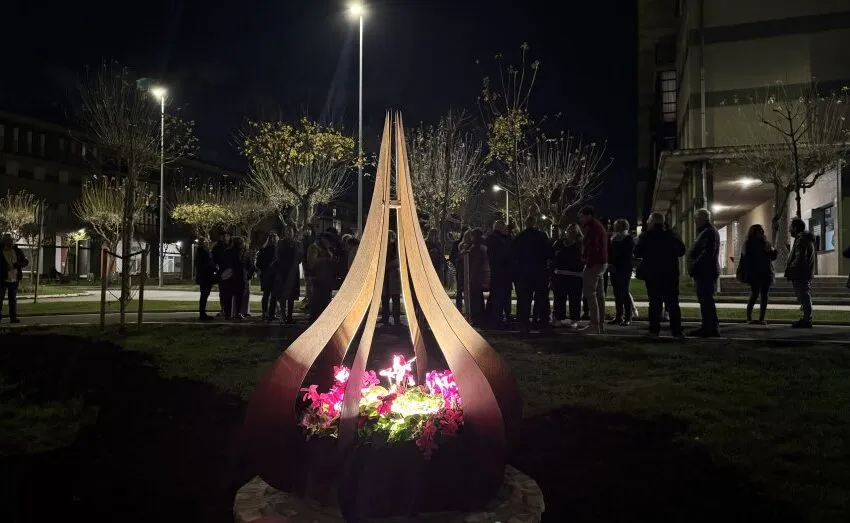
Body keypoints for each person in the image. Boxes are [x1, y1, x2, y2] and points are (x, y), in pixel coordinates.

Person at [634, 213, 686, 337]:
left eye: (648, 221)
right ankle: (676, 330)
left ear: (652, 222)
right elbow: (681, 251)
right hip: (670, 273)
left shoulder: (646, 236)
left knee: (654, 302)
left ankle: (654, 329)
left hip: (653, 274)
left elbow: (637, 252)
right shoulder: (673, 235)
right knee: (673, 302)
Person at [512, 216, 553, 333]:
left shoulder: (520, 237)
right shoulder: (541, 236)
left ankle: (523, 323)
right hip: (540, 272)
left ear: (525, 224)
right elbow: (550, 252)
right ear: (535, 223)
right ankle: (542, 322)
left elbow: (513, 254)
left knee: (524, 299)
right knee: (542, 299)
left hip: (524, 273)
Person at [688, 208, 721, 337]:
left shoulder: (709, 232)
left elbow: (706, 253)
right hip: (704, 271)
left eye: (696, 219)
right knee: (705, 300)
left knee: (706, 300)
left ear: (702, 219)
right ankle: (708, 326)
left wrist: (694, 266)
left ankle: (710, 328)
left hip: (705, 272)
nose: (695, 221)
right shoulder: (707, 232)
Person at [577, 206, 608, 334]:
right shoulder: (599, 227)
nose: (580, 219)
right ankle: (600, 323)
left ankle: (594, 323)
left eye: (581, 216)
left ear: (588, 215)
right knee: (600, 295)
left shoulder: (593, 228)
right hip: (602, 262)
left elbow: (593, 247)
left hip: (594, 263)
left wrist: (587, 261)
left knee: (590, 293)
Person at [739, 224, 777, 325]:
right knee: (754, 295)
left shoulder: (765, 243)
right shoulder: (747, 244)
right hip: (755, 273)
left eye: (762, 231)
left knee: (764, 296)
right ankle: (749, 318)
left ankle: (761, 318)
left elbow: (772, 257)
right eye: (760, 231)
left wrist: (773, 250)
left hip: (765, 273)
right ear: (754, 232)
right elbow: (743, 260)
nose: (762, 232)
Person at [784, 218, 816, 328]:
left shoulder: (801, 240)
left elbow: (800, 259)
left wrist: (791, 270)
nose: (789, 230)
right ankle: (806, 318)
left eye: (790, 227)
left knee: (804, 296)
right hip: (803, 273)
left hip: (800, 273)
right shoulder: (803, 239)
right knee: (803, 296)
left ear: (795, 228)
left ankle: (807, 320)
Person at [551, 224, 584, 328]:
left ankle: (574, 319)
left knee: (575, 298)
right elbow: (552, 257)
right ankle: (559, 317)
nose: (571, 233)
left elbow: (583, 259)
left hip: (575, 276)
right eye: (569, 231)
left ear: (577, 233)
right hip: (560, 275)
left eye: (573, 231)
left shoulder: (580, 245)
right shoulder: (559, 243)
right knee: (559, 298)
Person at [460, 228, 490, 326]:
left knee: (475, 297)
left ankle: (476, 317)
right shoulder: (483, 246)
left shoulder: (475, 248)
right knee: (478, 297)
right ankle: (480, 316)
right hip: (480, 276)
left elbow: (473, 263)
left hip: (475, 276)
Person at [485, 220, 513, 328]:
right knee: (501, 297)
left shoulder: (491, 239)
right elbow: (506, 256)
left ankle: (494, 318)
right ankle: (498, 319)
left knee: (496, 296)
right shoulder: (501, 241)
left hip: (497, 273)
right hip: (502, 274)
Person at [273, 226, 302, 324]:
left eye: (290, 231)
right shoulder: (281, 243)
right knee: (282, 295)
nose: (288, 233)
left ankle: (289, 316)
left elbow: (300, 257)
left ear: (294, 232)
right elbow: (277, 256)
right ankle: (283, 315)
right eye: (286, 231)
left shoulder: (298, 244)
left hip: (293, 272)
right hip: (283, 272)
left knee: (291, 296)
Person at [608, 219, 635, 326]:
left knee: (624, 291)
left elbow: (627, 254)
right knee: (616, 292)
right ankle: (619, 315)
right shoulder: (613, 238)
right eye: (616, 225)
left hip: (624, 268)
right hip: (614, 268)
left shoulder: (628, 238)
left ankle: (628, 316)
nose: (616, 227)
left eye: (619, 225)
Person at [221, 236, 253, 320]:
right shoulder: (244, 252)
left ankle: (227, 314)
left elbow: (223, 264)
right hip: (240, 276)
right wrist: (249, 275)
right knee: (239, 296)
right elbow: (250, 265)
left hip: (229, 276)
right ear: (241, 243)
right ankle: (238, 313)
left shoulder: (227, 252)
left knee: (228, 296)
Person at [306, 232, 336, 322]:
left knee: (325, 299)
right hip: (317, 278)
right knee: (317, 299)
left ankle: (322, 318)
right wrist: (325, 259)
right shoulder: (314, 248)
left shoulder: (326, 248)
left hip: (326, 278)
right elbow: (312, 262)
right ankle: (314, 318)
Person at [1, 234, 29, 324]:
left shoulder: (17, 251)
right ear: (4, 241)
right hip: (2, 279)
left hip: (14, 278)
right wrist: (5, 268)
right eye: (8, 240)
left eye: (11, 240)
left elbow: (25, 262)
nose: (10, 242)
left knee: (12, 299)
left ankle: (13, 318)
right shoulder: (1, 251)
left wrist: (16, 265)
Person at [380, 230, 403, 326]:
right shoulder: (390, 247)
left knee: (391, 298)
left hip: (390, 275)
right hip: (388, 276)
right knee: (390, 298)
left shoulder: (393, 247)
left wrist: (387, 266)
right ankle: (391, 319)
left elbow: (397, 260)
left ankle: (391, 318)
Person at [256, 232, 279, 320]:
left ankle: (269, 313)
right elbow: (259, 263)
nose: (273, 239)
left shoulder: (277, 249)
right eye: (271, 237)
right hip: (268, 275)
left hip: (272, 275)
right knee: (268, 295)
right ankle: (267, 313)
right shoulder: (265, 250)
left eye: (274, 236)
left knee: (272, 295)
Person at [194, 239, 216, 321]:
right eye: (206, 243)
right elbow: (206, 264)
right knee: (204, 295)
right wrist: (214, 268)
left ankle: (202, 313)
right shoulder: (202, 252)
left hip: (204, 276)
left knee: (204, 295)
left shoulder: (201, 252)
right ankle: (202, 314)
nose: (207, 244)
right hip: (205, 277)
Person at [211, 232, 231, 317]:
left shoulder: (231, 247)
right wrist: (216, 268)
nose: (225, 238)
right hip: (222, 271)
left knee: (229, 292)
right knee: (222, 292)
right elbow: (213, 259)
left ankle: (228, 310)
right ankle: (223, 309)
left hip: (230, 271)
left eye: (227, 236)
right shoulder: (217, 248)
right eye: (223, 236)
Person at [449, 226, 469, 310]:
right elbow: (452, 257)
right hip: (461, 269)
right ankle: (460, 308)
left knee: (461, 290)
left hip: (463, 269)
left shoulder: (460, 243)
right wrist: (457, 264)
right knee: (460, 290)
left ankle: (461, 308)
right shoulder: (458, 244)